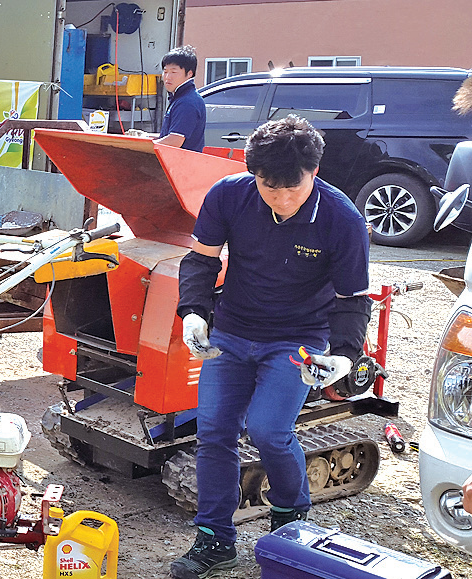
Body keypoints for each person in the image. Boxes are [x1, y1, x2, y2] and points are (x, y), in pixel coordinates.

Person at [170, 115, 370, 579]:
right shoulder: (229, 194)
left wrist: (343, 355)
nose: (280, 200)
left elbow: (352, 300)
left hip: (297, 340)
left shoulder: (342, 219)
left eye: (292, 191)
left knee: (267, 429)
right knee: (214, 431)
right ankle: (215, 539)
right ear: (251, 172)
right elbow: (200, 259)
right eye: (269, 188)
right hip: (232, 332)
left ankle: (290, 521)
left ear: (314, 174)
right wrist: (194, 312)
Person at [153, 45, 206, 152]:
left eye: (173, 72)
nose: (167, 77)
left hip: (181, 165)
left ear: (189, 74)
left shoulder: (187, 102)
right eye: (165, 71)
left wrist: (143, 146)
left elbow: (174, 141)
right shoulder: (181, 97)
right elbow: (170, 135)